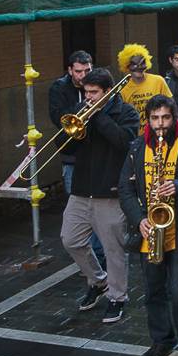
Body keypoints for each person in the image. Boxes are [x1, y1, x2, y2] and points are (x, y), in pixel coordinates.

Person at [118, 95, 178, 356]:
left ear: (174, 118)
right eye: (155, 118)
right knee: (153, 290)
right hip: (150, 230)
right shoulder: (136, 148)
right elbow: (125, 188)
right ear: (148, 119)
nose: (160, 124)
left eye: (166, 118)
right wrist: (139, 220)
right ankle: (161, 340)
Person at [60, 68, 139, 323]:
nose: (88, 98)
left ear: (108, 92)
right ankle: (98, 280)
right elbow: (66, 147)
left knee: (114, 248)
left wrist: (99, 116)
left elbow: (124, 142)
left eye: (94, 93)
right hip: (82, 189)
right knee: (70, 239)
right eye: (86, 93)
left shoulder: (125, 112)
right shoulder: (81, 110)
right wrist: (74, 126)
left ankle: (117, 297)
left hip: (110, 191)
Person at [48, 51, 106, 269]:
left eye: (87, 70)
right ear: (70, 70)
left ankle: (100, 259)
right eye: (79, 71)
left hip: (98, 155)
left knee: (99, 210)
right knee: (81, 212)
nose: (83, 76)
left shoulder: (99, 83)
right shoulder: (59, 88)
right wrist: (84, 108)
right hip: (73, 157)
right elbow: (60, 119)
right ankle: (91, 262)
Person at [118, 43, 173, 135]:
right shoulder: (122, 89)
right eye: (134, 64)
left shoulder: (158, 81)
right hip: (136, 137)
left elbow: (171, 106)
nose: (139, 67)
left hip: (159, 133)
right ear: (127, 66)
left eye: (142, 62)